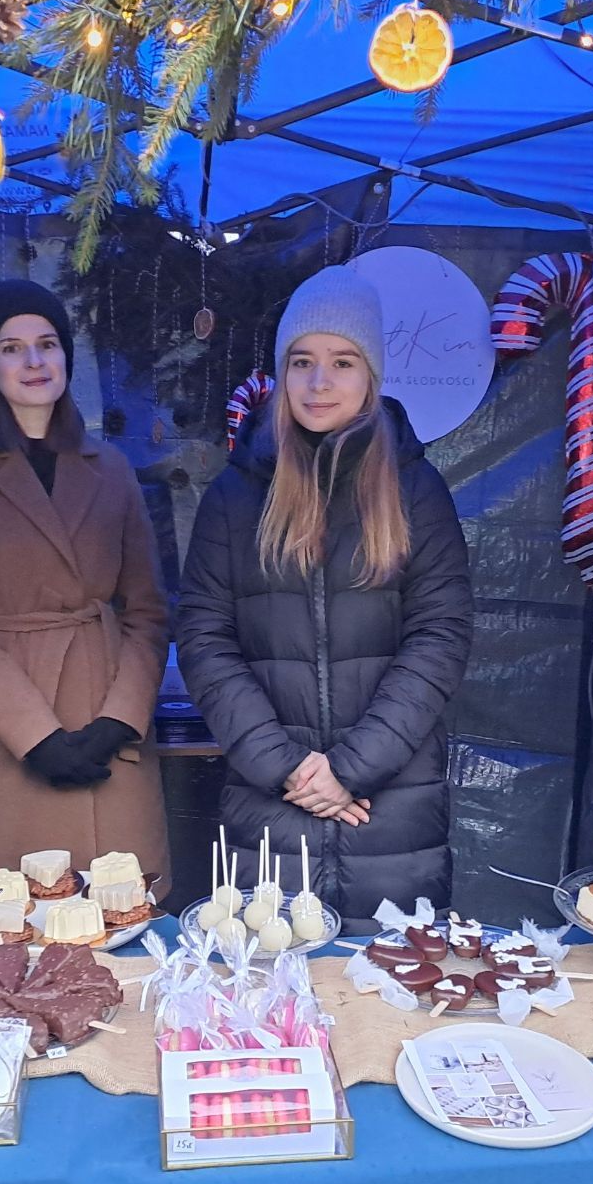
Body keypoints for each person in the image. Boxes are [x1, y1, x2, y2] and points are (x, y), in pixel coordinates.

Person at [177, 266, 472, 928]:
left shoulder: (416, 491)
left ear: (371, 374)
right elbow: (205, 639)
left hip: (394, 811)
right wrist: (286, 770)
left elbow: (440, 638)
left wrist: (351, 769)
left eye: (342, 362)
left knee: (394, 991)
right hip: (270, 810)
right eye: (302, 362)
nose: (318, 382)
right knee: (270, 1000)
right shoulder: (234, 497)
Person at [0, 279, 170, 889]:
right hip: (6, 722)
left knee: (120, 917)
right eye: (12, 347)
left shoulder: (111, 468)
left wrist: (120, 721)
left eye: (47, 343)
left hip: (105, 705)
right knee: (8, 926)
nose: (33, 362)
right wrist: (36, 737)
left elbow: (149, 610)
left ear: (66, 357)